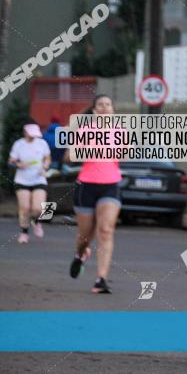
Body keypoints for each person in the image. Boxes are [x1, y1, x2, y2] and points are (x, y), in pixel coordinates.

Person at [66, 94, 122, 294]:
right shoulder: (85, 131)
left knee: (106, 230)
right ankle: (80, 254)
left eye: (109, 104)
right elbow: (69, 157)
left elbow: (125, 154)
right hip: (86, 186)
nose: (105, 107)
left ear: (113, 111)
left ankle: (101, 279)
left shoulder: (120, 132)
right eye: (101, 104)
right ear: (95, 110)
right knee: (85, 236)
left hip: (111, 185)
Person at [9, 121, 51, 243]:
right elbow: (11, 161)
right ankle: (24, 233)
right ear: (25, 132)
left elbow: (47, 158)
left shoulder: (42, 143)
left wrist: (45, 167)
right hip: (22, 180)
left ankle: (37, 222)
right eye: (30, 133)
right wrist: (18, 164)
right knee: (25, 208)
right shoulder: (18, 144)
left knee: (39, 209)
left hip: (39, 179)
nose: (33, 136)